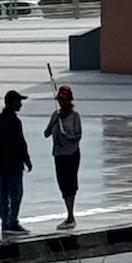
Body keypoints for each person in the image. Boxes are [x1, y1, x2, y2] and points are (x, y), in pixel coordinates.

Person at [0, 89, 32, 234]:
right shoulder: (14, 122)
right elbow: (20, 143)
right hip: (14, 163)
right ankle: (12, 221)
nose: (20, 104)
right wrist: (27, 160)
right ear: (12, 102)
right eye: (19, 101)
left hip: (1, 164)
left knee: (3, 193)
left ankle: (5, 221)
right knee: (15, 193)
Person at [44, 83, 83, 230]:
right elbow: (46, 133)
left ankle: (71, 215)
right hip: (58, 154)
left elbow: (78, 135)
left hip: (71, 153)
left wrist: (67, 135)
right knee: (62, 183)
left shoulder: (75, 117)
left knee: (70, 182)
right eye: (60, 101)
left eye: (64, 101)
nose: (62, 104)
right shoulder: (56, 116)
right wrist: (54, 122)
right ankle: (68, 212)